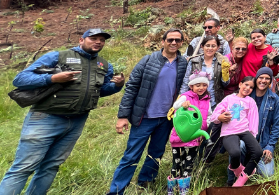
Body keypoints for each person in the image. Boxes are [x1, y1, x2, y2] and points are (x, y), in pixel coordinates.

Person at [0, 29, 124, 195]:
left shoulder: (104, 65)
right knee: (24, 167)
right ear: (81, 40)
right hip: (45, 118)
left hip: (77, 121)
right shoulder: (57, 56)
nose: (98, 42)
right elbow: (20, 79)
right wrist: (52, 78)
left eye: (101, 40)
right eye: (93, 38)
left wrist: (117, 86)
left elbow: (99, 91)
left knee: (51, 166)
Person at [107, 29, 189, 194]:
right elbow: (131, 87)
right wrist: (123, 116)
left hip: (166, 119)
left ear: (181, 43)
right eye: (170, 39)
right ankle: (116, 190)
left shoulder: (183, 64)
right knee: (131, 155)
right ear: (163, 41)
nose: (174, 43)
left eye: (177, 40)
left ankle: (146, 181)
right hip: (144, 117)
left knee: (156, 153)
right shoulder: (148, 60)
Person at [223, 67, 279, 184]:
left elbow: (276, 126)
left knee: (267, 174)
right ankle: (232, 178)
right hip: (243, 139)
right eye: (261, 77)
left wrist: (269, 147)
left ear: (270, 81)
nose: (263, 81)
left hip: (262, 143)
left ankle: (248, 165)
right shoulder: (246, 95)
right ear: (256, 79)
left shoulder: (274, 99)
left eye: (267, 78)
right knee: (239, 146)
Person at [167, 71, 212, 195]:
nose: (201, 88)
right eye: (198, 85)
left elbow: (209, 116)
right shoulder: (185, 96)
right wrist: (183, 104)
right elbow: (175, 106)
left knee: (189, 164)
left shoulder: (208, 100)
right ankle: (171, 190)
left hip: (195, 138)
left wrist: (204, 128)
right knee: (177, 163)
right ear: (191, 86)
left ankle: (184, 190)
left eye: (204, 85)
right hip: (179, 138)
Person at [212, 76, 262, 187]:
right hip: (229, 132)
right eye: (246, 85)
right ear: (240, 84)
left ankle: (241, 180)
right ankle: (238, 170)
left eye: (251, 87)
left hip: (244, 131)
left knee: (258, 152)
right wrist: (219, 117)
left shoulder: (250, 101)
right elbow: (214, 115)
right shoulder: (228, 99)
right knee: (235, 153)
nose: (248, 88)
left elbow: (254, 120)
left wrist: (252, 137)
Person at [181, 35, 229, 107]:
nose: (210, 48)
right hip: (195, 101)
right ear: (202, 46)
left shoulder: (222, 62)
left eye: (213, 46)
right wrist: (181, 98)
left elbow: (225, 84)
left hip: (214, 102)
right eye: (207, 45)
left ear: (218, 47)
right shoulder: (194, 61)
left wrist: (225, 75)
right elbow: (186, 82)